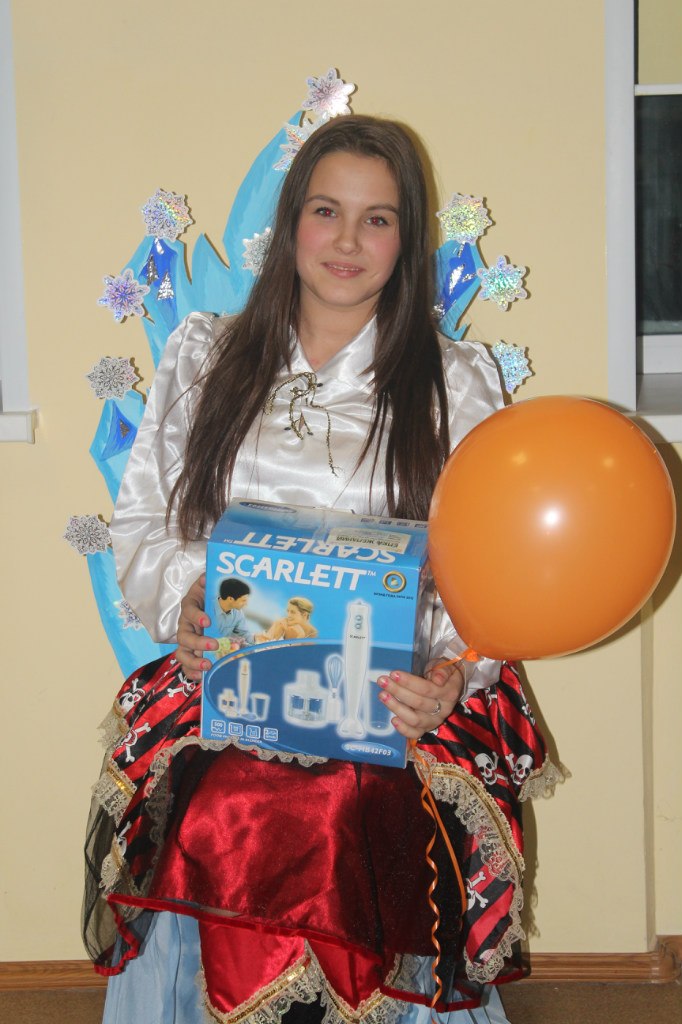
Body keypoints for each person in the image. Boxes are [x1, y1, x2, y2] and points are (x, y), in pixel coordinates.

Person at [83, 115, 558, 1024]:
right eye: (326, 211)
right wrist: (188, 603)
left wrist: (452, 675)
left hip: (394, 698)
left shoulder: (457, 379)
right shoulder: (204, 355)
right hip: (227, 679)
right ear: (291, 221)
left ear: (407, 239)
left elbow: (486, 569)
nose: (347, 242)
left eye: (378, 219)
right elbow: (143, 524)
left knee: (350, 807)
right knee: (234, 804)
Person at [214, 578, 255, 643]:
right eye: (243, 600)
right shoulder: (207, 607)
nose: (246, 604)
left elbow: (244, 634)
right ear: (230, 599)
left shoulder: (238, 613)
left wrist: (258, 639)